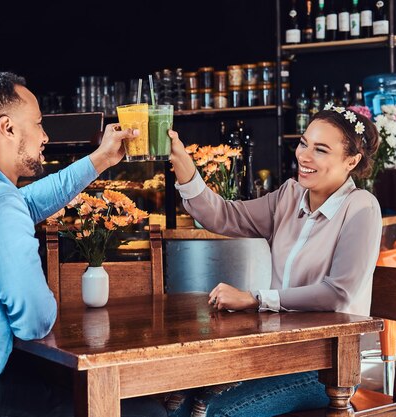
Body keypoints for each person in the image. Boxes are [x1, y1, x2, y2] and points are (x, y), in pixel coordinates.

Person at [0, 72, 166, 417]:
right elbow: (35, 322)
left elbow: (25, 203)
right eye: (38, 123)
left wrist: (101, 159)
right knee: (148, 413)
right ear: (7, 127)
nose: (45, 136)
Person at [164, 104, 382, 417]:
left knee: (209, 411)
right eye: (304, 143)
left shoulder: (361, 207)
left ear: (352, 161)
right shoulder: (289, 196)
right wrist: (184, 167)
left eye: (320, 150)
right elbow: (224, 215)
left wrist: (255, 300)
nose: (304, 156)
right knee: (175, 404)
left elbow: (337, 293)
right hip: (277, 352)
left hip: (329, 368)